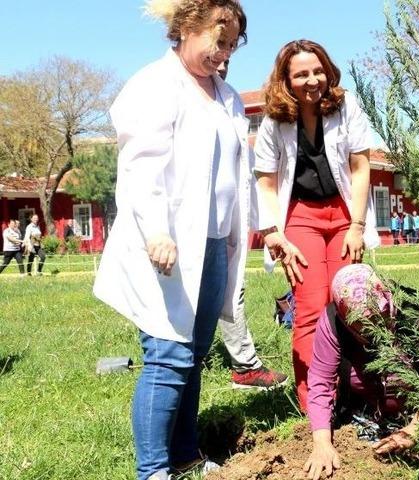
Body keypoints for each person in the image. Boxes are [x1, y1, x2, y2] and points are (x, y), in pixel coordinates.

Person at [92, 2, 250, 479]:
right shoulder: (155, 85)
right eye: (217, 40)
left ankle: (185, 454)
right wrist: (157, 229)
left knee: (194, 357)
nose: (224, 53)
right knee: (168, 355)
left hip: (213, 244)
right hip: (166, 245)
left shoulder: (229, 96)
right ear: (185, 28)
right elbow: (141, 167)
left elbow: (235, 176)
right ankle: (153, 469)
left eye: (232, 43)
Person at [253, 39, 379, 411]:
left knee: (349, 302)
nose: (312, 80)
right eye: (301, 74)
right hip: (301, 217)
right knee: (309, 305)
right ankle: (315, 403)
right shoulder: (274, 119)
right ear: (286, 81)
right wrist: (273, 233)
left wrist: (357, 225)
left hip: (343, 215)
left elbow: (360, 167)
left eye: (318, 70)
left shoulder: (347, 105)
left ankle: (358, 390)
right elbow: (264, 180)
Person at [211, 58, 289, 391]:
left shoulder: (231, 100)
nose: (224, 62)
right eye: (219, 49)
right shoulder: (168, 89)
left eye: (230, 54)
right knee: (188, 299)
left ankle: (244, 366)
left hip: (227, 224)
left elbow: (247, 174)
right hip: (185, 228)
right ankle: (175, 364)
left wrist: (267, 229)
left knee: (230, 293)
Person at [304, 264, 419, 480]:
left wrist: (414, 429)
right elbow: (320, 382)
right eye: (361, 325)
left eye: (380, 317)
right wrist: (322, 444)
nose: (375, 328)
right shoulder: (333, 322)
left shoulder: (415, 315)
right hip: (366, 414)